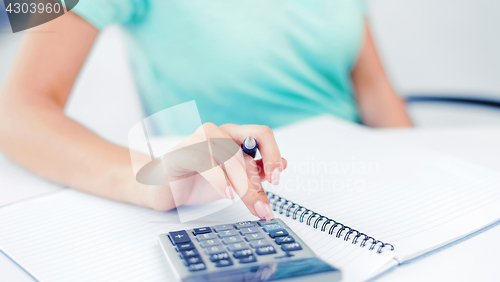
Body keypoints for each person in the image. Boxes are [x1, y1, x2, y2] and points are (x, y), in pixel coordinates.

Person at [0, 1, 412, 221]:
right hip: (240, 204)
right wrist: (149, 179)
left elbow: (375, 91)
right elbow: (15, 111)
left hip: (362, 186)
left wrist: (426, 169)